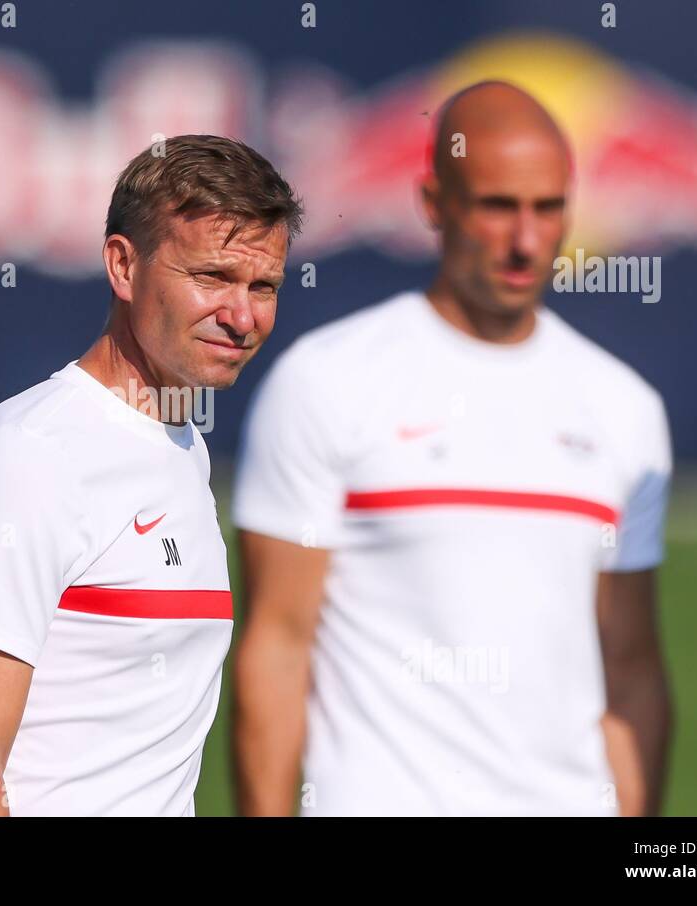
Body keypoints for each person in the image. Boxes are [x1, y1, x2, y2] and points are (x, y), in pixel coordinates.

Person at [233, 82, 673, 816]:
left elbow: (631, 668)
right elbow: (275, 650)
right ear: (435, 204)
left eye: (549, 207)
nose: (527, 239)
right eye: (498, 206)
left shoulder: (625, 407)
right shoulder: (326, 380)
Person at [0, 135, 302, 816]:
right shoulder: (27, 457)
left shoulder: (182, 445)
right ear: (124, 266)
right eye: (213, 277)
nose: (243, 317)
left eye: (262, 286)